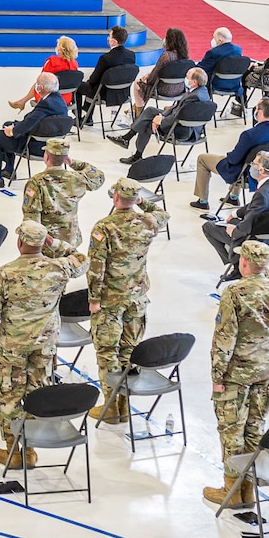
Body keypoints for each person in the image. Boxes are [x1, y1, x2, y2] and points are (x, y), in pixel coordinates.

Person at [0, 219, 85, 467]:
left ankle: (13, 451)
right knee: (38, 393)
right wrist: (55, 243)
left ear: (19, 243)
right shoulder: (59, 268)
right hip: (45, 345)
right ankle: (31, 449)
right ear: (42, 243)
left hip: (12, 345)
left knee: (10, 396)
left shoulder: (6, 273)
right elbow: (81, 259)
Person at [204, 240, 269, 507]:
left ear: (243, 263)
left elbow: (224, 338)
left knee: (232, 430)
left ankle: (232, 491)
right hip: (264, 370)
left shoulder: (234, 293)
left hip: (236, 373)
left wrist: (217, 376)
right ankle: (249, 490)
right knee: (255, 428)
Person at [86, 178, 166, 424]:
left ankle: (111, 407)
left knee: (108, 352)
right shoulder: (148, 222)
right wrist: (142, 202)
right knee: (129, 351)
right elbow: (163, 213)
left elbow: (96, 268)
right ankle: (124, 405)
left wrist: (93, 299)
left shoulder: (104, 227)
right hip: (136, 297)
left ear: (116, 198)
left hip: (110, 300)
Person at [190, 99, 269, 210]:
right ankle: (233, 197)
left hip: (245, 173)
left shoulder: (250, 135)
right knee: (245, 160)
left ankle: (203, 201)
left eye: (256, 108)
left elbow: (234, 159)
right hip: (267, 172)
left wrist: (229, 155)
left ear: (260, 112)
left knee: (202, 159)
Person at [0, 71, 68, 187]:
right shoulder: (59, 101)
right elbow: (33, 121)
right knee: (8, 123)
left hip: (35, 145)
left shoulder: (46, 104)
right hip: (50, 140)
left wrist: (13, 131)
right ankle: (9, 169)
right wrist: (14, 125)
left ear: (40, 87)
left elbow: (28, 122)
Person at [17, 136, 105, 249]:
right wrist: (73, 163)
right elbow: (98, 176)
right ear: (65, 158)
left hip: (47, 241)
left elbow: (32, 215)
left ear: (46, 156)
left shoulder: (36, 182)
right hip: (70, 239)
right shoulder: (77, 179)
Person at [202, 151, 269, 268]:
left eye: (254, 164)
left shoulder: (262, 194)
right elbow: (255, 206)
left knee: (208, 227)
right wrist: (236, 213)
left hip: (256, 241)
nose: (251, 166)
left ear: (261, 170)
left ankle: (235, 265)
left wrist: (234, 231)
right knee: (232, 221)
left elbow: (247, 223)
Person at [113, 67, 208, 162]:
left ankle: (134, 152)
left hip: (182, 129)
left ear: (194, 82)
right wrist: (161, 116)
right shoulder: (202, 92)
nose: (185, 78)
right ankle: (128, 138)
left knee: (147, 124)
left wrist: (160, 121)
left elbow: (178, 116)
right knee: (150, 111)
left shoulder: (193, 97)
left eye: (187, 77)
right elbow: (176, 108)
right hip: (183, 122)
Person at [76, 26, 136, 125]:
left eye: (109, 36)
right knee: (94, 86)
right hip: (123, 93)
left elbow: (93, 79)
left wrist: (88, 82)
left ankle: (79, 118)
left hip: (105, 94)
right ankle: (87, 115)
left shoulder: (105, 58)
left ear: (114, 41)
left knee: (79, 86)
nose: (108, 38)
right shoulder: (131, 55)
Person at [131, 27, 191, 109]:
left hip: (164, 89)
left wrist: (146, 79)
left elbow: (155, 75)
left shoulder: (166, 56)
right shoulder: (185, 58)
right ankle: (135, 108)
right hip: (180, 90)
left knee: (137, 83)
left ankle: (138, 112)